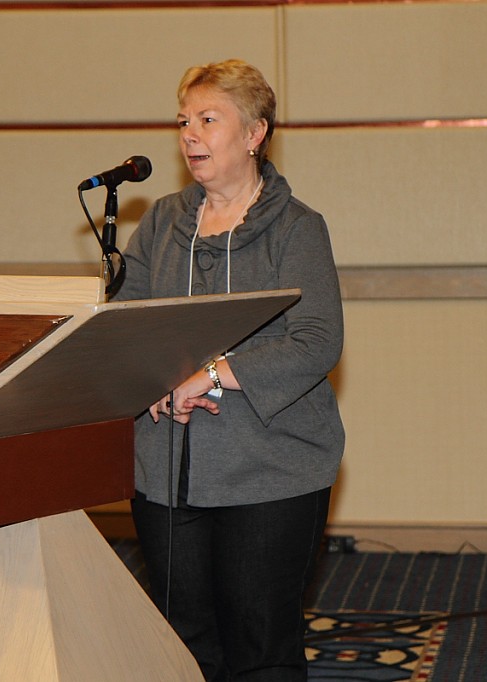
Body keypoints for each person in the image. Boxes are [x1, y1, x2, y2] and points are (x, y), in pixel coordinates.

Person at [112, 59, 345, 681]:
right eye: (183, 121)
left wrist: (212, 375)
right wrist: (153, 380)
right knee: (183, 645)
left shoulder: (297, 229)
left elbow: (317, 341)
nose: (190, 134)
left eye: (208, 120)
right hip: (167, 468)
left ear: (253, 133)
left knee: (259, 645)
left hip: (271, 470)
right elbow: (124, 320)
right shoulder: (160, 222)